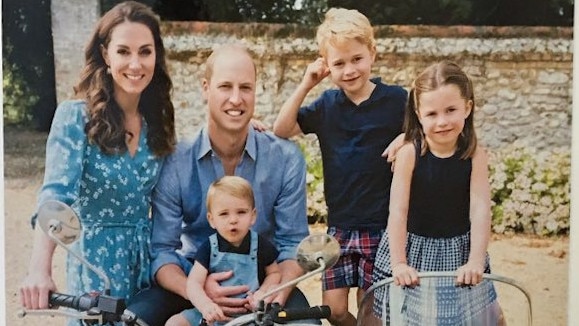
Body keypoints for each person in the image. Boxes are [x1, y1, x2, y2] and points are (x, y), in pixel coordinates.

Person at [127, 44, 313, 326]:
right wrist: (198, 289)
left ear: (255, 91)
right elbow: (162, 251)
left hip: (263, 278)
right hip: (192, 274)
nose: (236, 99)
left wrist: (272, 291)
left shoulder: (285, 158)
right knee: (135, 319)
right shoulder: (176, 161)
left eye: (245, 88)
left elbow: (292, 245)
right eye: (225, 86)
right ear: (205, 88)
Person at [19, 1, 176, 325]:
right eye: (124, 51)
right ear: (106, 55)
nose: (135, 63)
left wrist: (249, 130)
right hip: (95, 266)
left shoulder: (157, 122)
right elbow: (55, 195)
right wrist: (40, 268)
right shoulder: (76, 117)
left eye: (145, 52)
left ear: (156, 56)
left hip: (146, 266)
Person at [272, 8, 407, 326]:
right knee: (333, 311)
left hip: (382, 228)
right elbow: (282, 128)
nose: (349, 70)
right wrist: (307, 83)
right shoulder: (327, 106)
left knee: (371, 311)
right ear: (326, 65)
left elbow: (426, 129)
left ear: (372, 53)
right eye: (339, 63)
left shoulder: (397, 100)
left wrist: (407, 138)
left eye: (357, 59)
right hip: (340, 228)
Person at [372, 61, 504, 324]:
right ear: (419, 114)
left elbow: (479, 209)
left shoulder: (474, 154)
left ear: (468, 107)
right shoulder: (410, 153)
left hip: (459, 251)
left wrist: (475, 260)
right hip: (413, 250)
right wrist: (399, 263)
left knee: (475, 318)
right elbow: (398, 212)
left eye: (451, 110)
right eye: (432, 114)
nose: (442, 121)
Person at [165, 176, 281, 326]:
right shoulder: (209, 247)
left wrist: (263, 292)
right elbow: (194, 283)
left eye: (241, 212)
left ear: (253, 216)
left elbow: (275, 273)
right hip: (215, 312)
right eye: (224, 214)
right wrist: (205, 305)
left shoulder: (260, 245)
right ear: (211, 219)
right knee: (174, 323)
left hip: (250, 315)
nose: (233, 220)